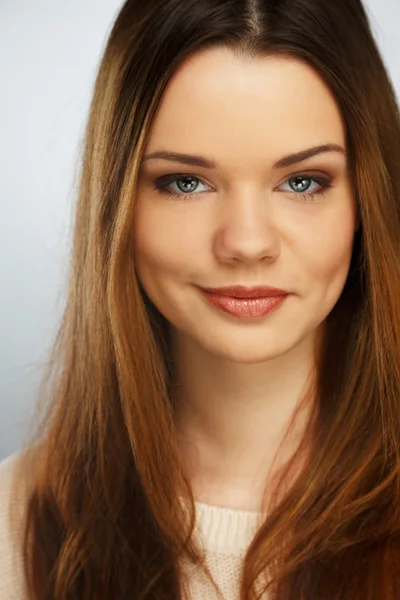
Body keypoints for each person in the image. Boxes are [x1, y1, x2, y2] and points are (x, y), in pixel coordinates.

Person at [1, 0, 400, 598]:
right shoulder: (12, 524)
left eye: (302, 182)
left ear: (368, 200)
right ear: (120, 206)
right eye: (185, 182)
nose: (246, 243)